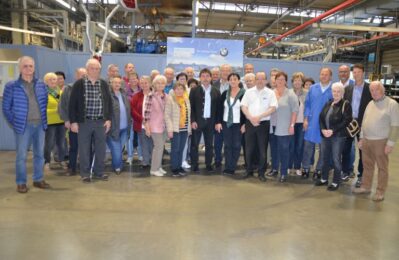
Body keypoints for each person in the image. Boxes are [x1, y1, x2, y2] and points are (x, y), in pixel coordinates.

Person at [2, 56, 50, 193]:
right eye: (25, 66)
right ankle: (21, 182)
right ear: (20, 68)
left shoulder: (41, 84)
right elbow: (6, 108)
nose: (28, 69)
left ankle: (38, 179)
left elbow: (44, 102)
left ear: (34, 68)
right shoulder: (11, 86)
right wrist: (16, 122)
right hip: (23, 127)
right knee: (21, 156)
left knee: (40, 154)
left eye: (31, 66)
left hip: (40, 125)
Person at [353, 81, 399, 201]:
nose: (374, 92)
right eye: (371, 90)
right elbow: (364, 122)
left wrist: (390, 143)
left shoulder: (392, 104)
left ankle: (380, 192)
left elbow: (395, 125)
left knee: (382, 167)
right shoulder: (370, 103)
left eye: (376, 90)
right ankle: (366, 186)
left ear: (382, 90)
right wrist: (362, 138)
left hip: (381, 141)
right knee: (367, 165)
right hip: (367, 140)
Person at [69, 58, 112, 183]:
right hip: (84, 122)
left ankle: (99, 172)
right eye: (92, 68)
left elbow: (108, 102)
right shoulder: (79, 84)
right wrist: (73, 122)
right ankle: (85, 173)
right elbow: (72, 104)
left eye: (97, 68)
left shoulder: (103, 84)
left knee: (100, 149)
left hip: (100, 122)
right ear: (87, 69)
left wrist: (108, 119)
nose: (95, 71)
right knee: (84, 149)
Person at [241, 72, 277, 181]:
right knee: (249, 149)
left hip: (263, 124)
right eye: (258, 79)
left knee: (262, 150)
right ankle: (249, 170)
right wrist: (251, 118)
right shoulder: (248, 92)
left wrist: (259, 117)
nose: (260, 81)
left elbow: (273, 108)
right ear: (255, 80)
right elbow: (243, 106)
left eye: (262, 79)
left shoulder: (270, 93)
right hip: (250, 123)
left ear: (266, 81)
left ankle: (261, 172)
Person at [315, 83, 352, 191]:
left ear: (342, 93)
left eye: (338, 91)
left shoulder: (346, 104)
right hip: (325, 135)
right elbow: (321, 117)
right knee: (325, 158)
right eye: (334, 91)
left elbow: (346, 120)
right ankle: (324, 178)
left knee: (336, 159)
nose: (336, 93)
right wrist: (323, 129)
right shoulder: (329, 103)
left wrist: (332, 130)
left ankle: (336, 181)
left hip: (338, 137)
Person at [342, 64, 372, 187]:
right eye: (354, 72)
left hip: (363, 123)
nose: (356, 74)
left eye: (358, 72)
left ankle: (361, 175)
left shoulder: (369, 88)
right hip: (350, 123)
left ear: (363, 73)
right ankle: (346, 171)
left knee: (362, 151)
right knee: (346, 149)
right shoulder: (348, 88)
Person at [301, 68, 333, 179]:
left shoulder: (334, 90)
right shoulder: (313, 88)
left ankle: (319, 169)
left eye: (326, 74)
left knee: (323, 149)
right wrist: (305, 119)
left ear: (330, 77)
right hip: (312, 122)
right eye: (322, 74)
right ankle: (305, 167)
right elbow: (308, 105)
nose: (324, 76)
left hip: (326, 125)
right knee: (307, 148)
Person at [267, 71, 298, 182]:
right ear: (274, 81)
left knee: (284, 150)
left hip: (284, 127)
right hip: (272, 126)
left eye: (282, 79)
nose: (280, 81)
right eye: (278, 79)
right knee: (274, 149)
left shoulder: (290, 94)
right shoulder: (270, 93)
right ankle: (274, 169)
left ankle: (284, 172)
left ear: (286, 81)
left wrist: (292, 125)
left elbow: (295, 111)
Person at [190, 68, 220, 173]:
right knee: (194, 144)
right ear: (200, 78)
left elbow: (218, 109)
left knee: (209, 145)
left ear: (211, 78)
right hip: (197, 122)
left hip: (210, 122)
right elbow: (191, 107)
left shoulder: (216, 91)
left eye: (207, 76)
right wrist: (192, 120)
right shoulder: (194, 90)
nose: (205, 78)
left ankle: (208, 164)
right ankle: (194, 164)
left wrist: (217, 122)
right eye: (203, 76)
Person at [215, 73, 246, 177]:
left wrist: (244, 124)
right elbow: (219, 109)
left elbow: (247, 110)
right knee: (227, 145)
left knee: (237, 145)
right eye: (231, 79)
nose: (233, 81)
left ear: (238, 81)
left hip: (238, 124)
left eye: (235, 79)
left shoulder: (244, 94)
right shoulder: (225, 93)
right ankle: (228, 167)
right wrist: (218, 122)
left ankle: (232, 166)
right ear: (228, 81)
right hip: (226, 123)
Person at [58, 67, 87, 175]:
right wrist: (66, 120)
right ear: (76, 76)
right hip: (73, 123)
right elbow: (62, 106)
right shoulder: (68, 89)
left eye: (85, 75)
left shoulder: (91, 88)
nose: (83, 77)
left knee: (87, 147)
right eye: (81, 75)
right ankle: (72, 167)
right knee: (73, 147)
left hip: (87, 123)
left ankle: (86, 168)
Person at [165, 82, 191, 177]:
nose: (179, 91)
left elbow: (189, 115)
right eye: (177, 89)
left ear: (184, 90)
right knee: (175, 149)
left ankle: (179, 166)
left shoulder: (186, 100)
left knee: (181, 149)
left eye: (181, 89)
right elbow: (167, 116)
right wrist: (170, 130)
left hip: (184, 129)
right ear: (174, 90)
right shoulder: (170, 100)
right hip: (175, 129)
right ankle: (174, 168)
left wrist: (189, 129)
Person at [106, 75, 131, 175]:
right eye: (115, 82)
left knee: (119, 149)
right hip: (113, 129)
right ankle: (118, 167)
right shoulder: (107, 95)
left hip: (125, 128)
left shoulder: (123, 94)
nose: (117, 84)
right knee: (116, 149)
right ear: (111, 83)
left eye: (119, 83)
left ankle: (116, 164)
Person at [144, 75, 168, 177]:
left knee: (161, 147)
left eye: (162, 83)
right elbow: (146, 114)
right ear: (154, 84)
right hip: (154, 126)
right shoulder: (151, 96)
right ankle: (153, 169)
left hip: (164, 127)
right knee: (157, 147)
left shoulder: (166, 96)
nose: (160, 85)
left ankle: (158, 167)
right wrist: (147, 127)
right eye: (158, 83)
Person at [43, 72, 66, 170]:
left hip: (61, 121)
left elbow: (64, 106)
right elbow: (42, 108)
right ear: (46, 82)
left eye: (54, 79)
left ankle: (61, 160)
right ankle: (47, 162)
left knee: (61, 143)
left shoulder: (61, 92)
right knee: (49, 143)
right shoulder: (44, 93)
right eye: (50, 80)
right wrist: (55, 110)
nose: (53, 81)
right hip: (50, 122)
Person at [131, 76, 153, 170]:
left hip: (154, 125)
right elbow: (132, 110)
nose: (144, 85)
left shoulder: (155, 95)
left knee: (153, 144)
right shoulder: (136, 96)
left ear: (150, 83)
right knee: (143, 144)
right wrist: (142, 119)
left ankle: (154, 161)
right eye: (142, 83)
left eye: (146, 83)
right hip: (141, 124)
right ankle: (146, 162)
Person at [289, 72, 307, 176]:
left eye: (299, 80)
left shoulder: (307, 93)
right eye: (295, 80)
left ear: (302, 82)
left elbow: (308, 108)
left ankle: (297, 166)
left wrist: (306, 120)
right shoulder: (289, 92)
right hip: (291, 123)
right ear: (292, 82)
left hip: (301, 124)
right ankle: (288, 166)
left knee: (299, 146)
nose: (297, 82)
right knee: (290, 146)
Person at [126, 71, 142, 164]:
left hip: (140, 118)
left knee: (140, 138)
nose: (133, 80)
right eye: (131, 79)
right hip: (130, 119)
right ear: (128, 80)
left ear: (137, 79)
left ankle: (140, 155)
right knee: (130, 138)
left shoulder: (142, 90)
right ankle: (130, 156)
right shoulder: (125, 91)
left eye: (135, 78)